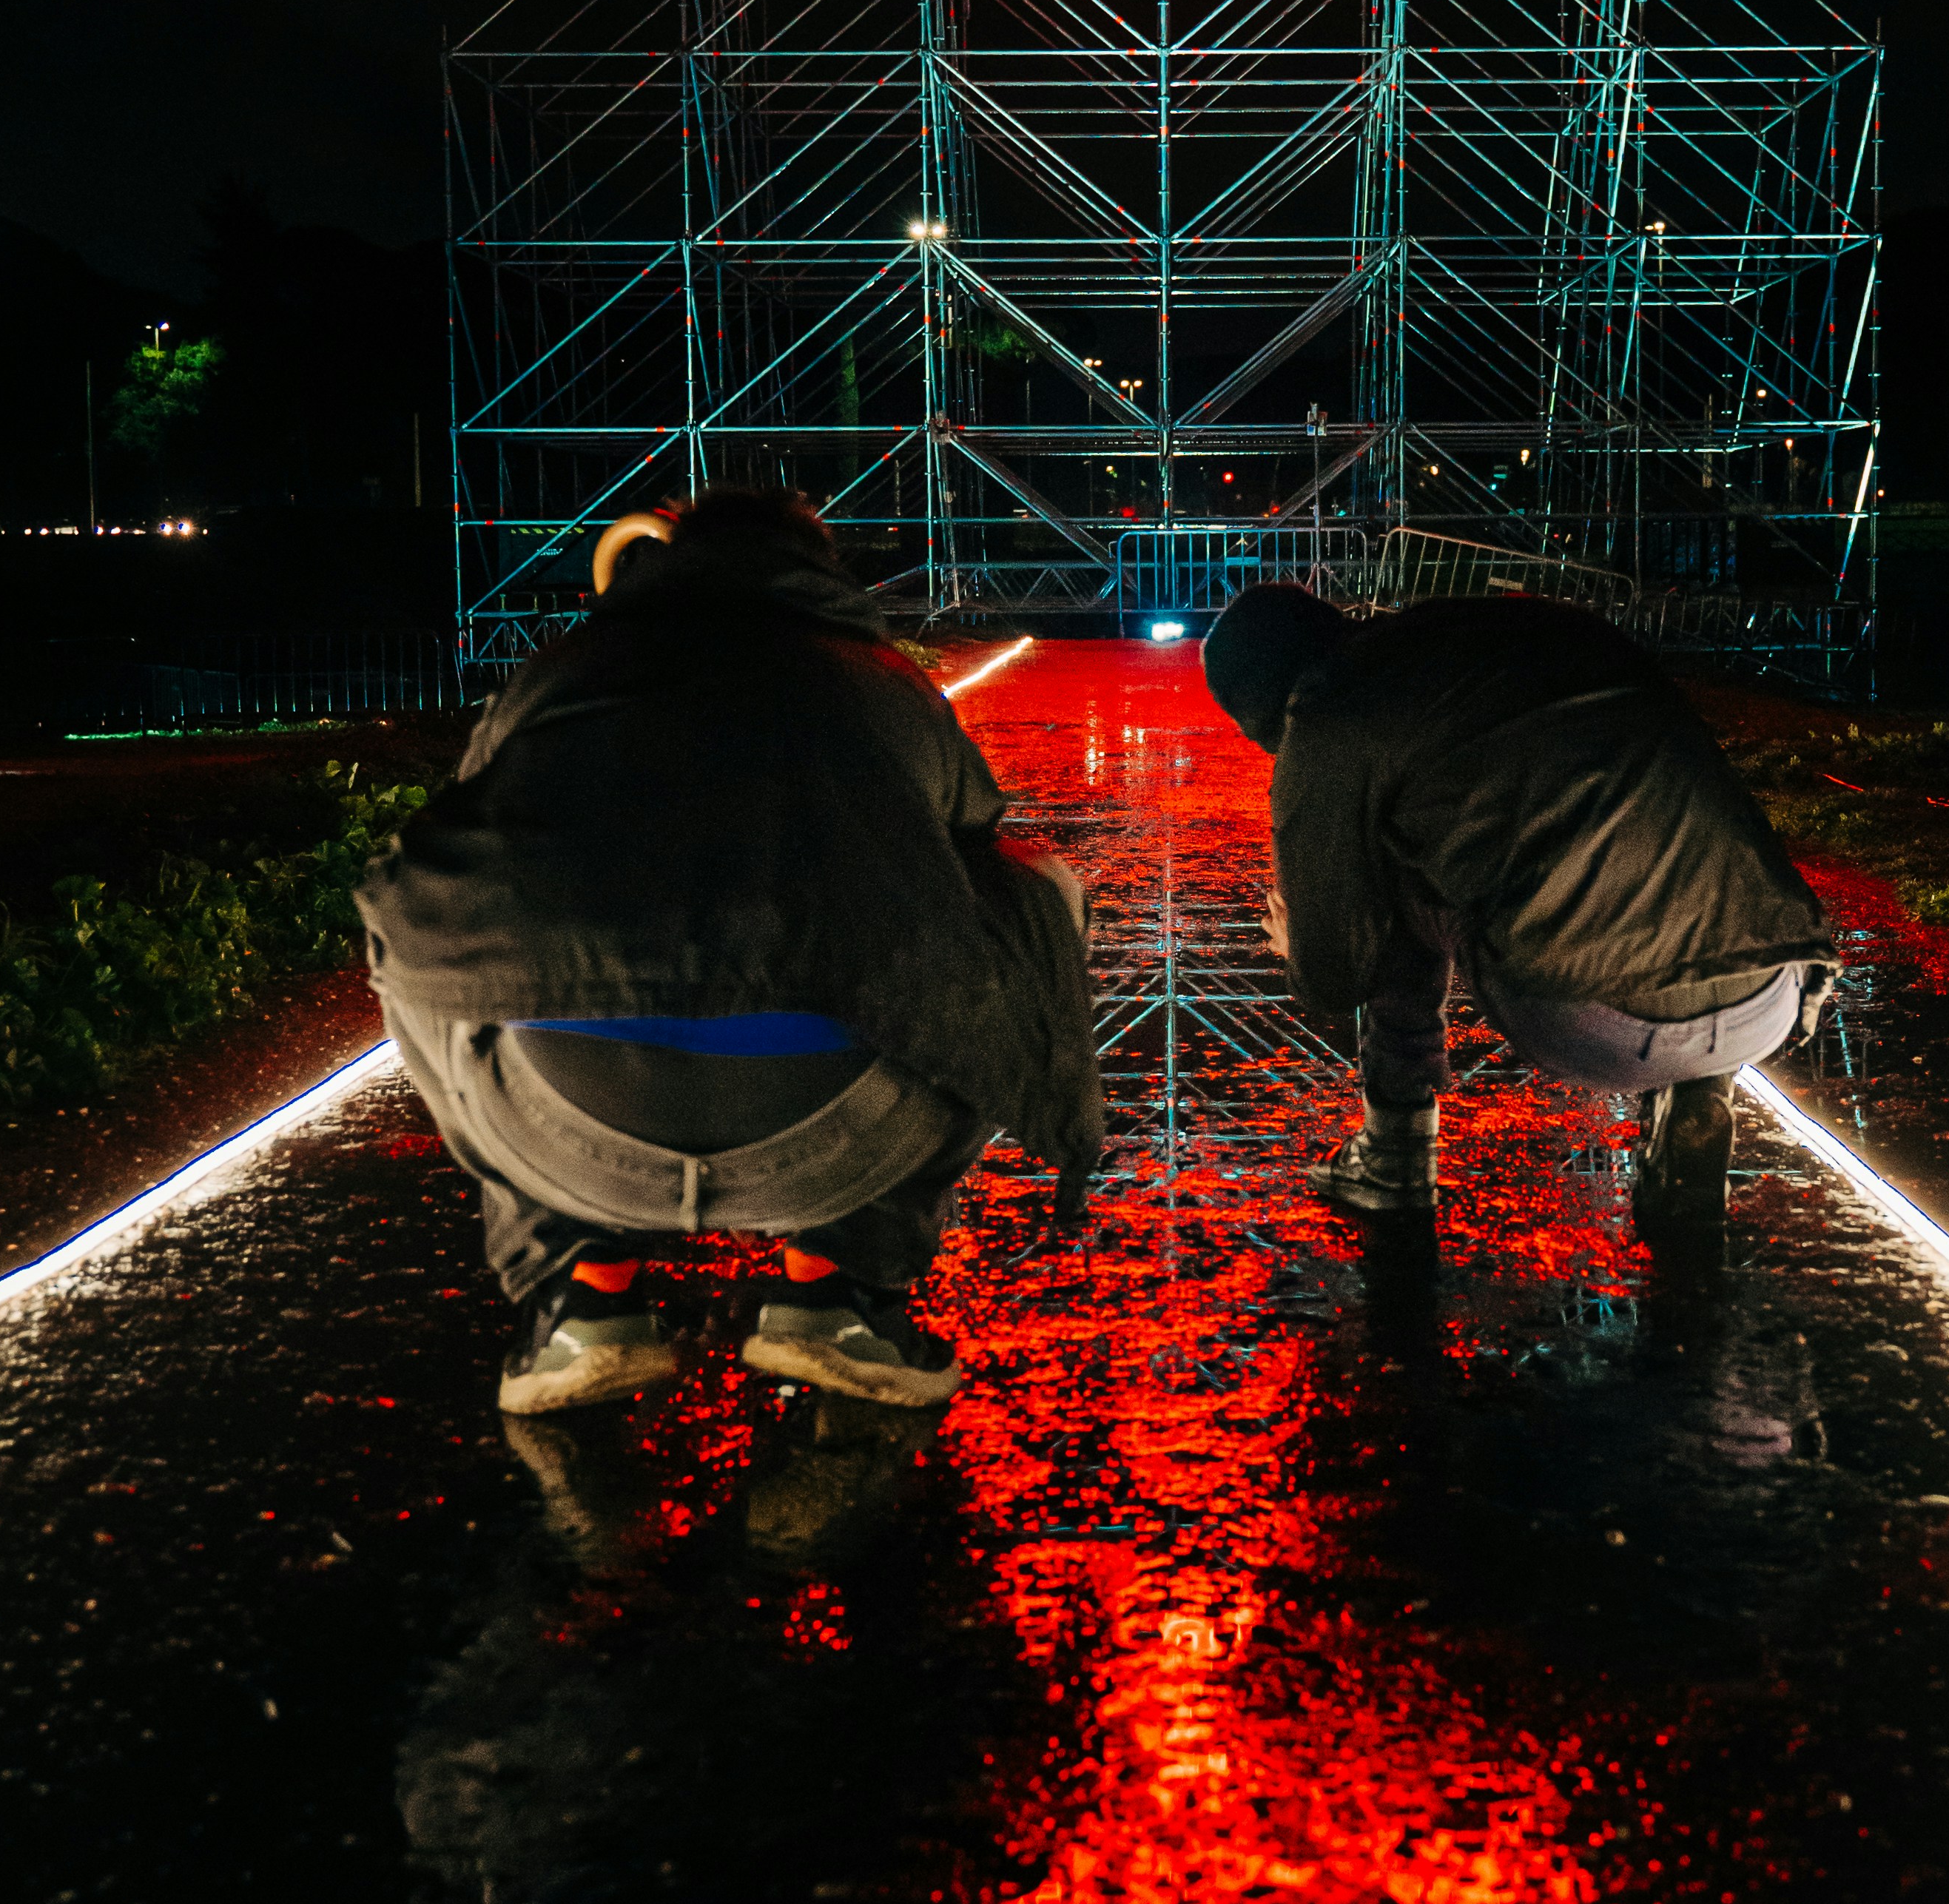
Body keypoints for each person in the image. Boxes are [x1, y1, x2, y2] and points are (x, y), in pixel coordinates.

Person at [357, 490, 1097, 1413]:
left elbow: (474, 835)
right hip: (842, 1138)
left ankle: (582, 1298)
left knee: (418, 915)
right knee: (1038, 899)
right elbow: (976, 843)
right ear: (820, 570)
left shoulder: (563, 667)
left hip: (565, 1130)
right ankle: (838, 1291)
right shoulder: (881, 678)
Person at [1199, 579, 1831, 1241]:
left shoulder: (1330, 713)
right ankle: (1699, 1089)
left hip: (1597, 1023)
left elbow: (1334, 976)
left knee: (1381, 869)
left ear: (1267, 707)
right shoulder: (1513, 629)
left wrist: (1303, 938)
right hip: (1775, 995)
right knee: (1673, 868)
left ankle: (1393, 1153)